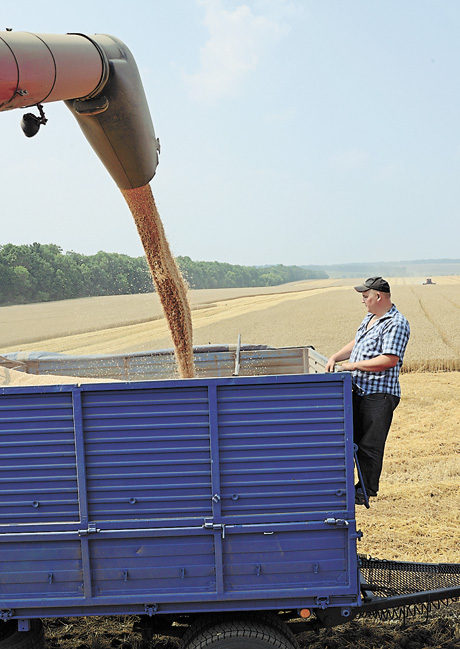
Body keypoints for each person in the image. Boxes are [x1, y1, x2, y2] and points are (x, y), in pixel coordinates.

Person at [325, 277, 410, 505]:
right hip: (360, 390)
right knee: (354, 441)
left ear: (378, 296)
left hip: (379, 394)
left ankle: (365, 491)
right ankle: (350, 487)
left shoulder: (396, 323)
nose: (363, 301)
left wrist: (353, 365)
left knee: (370, 446)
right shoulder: (371, 318)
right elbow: (358, 342)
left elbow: (389, 359)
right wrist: (336, 356)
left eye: (365, 297)